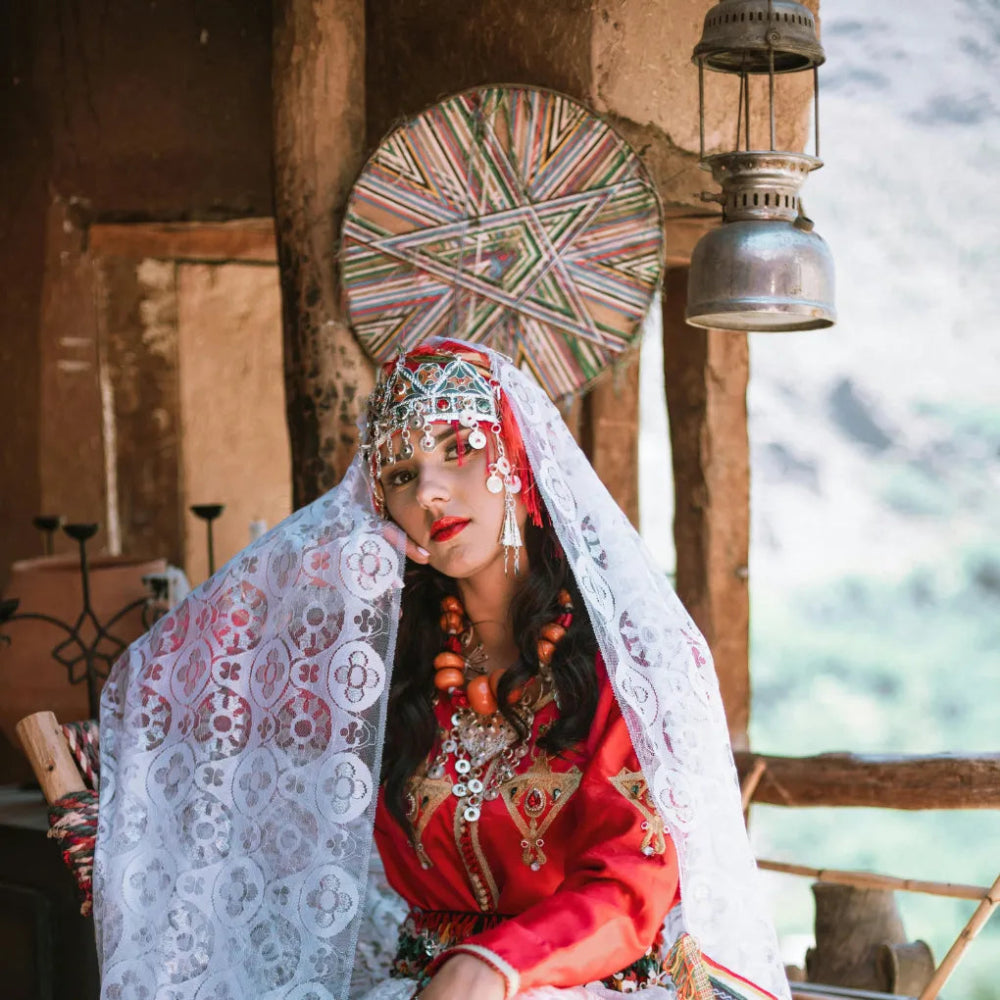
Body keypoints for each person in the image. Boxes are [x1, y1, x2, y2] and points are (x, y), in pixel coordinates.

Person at [94, 340, 788, 1000]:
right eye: (400, 475)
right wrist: (321, 559)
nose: (429, 491)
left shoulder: (625, 664)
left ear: (514, 459)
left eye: (457, 450)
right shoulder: (384, 674)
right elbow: (166, 682)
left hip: (591, 981)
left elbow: (633, 879)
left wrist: (493, 967)